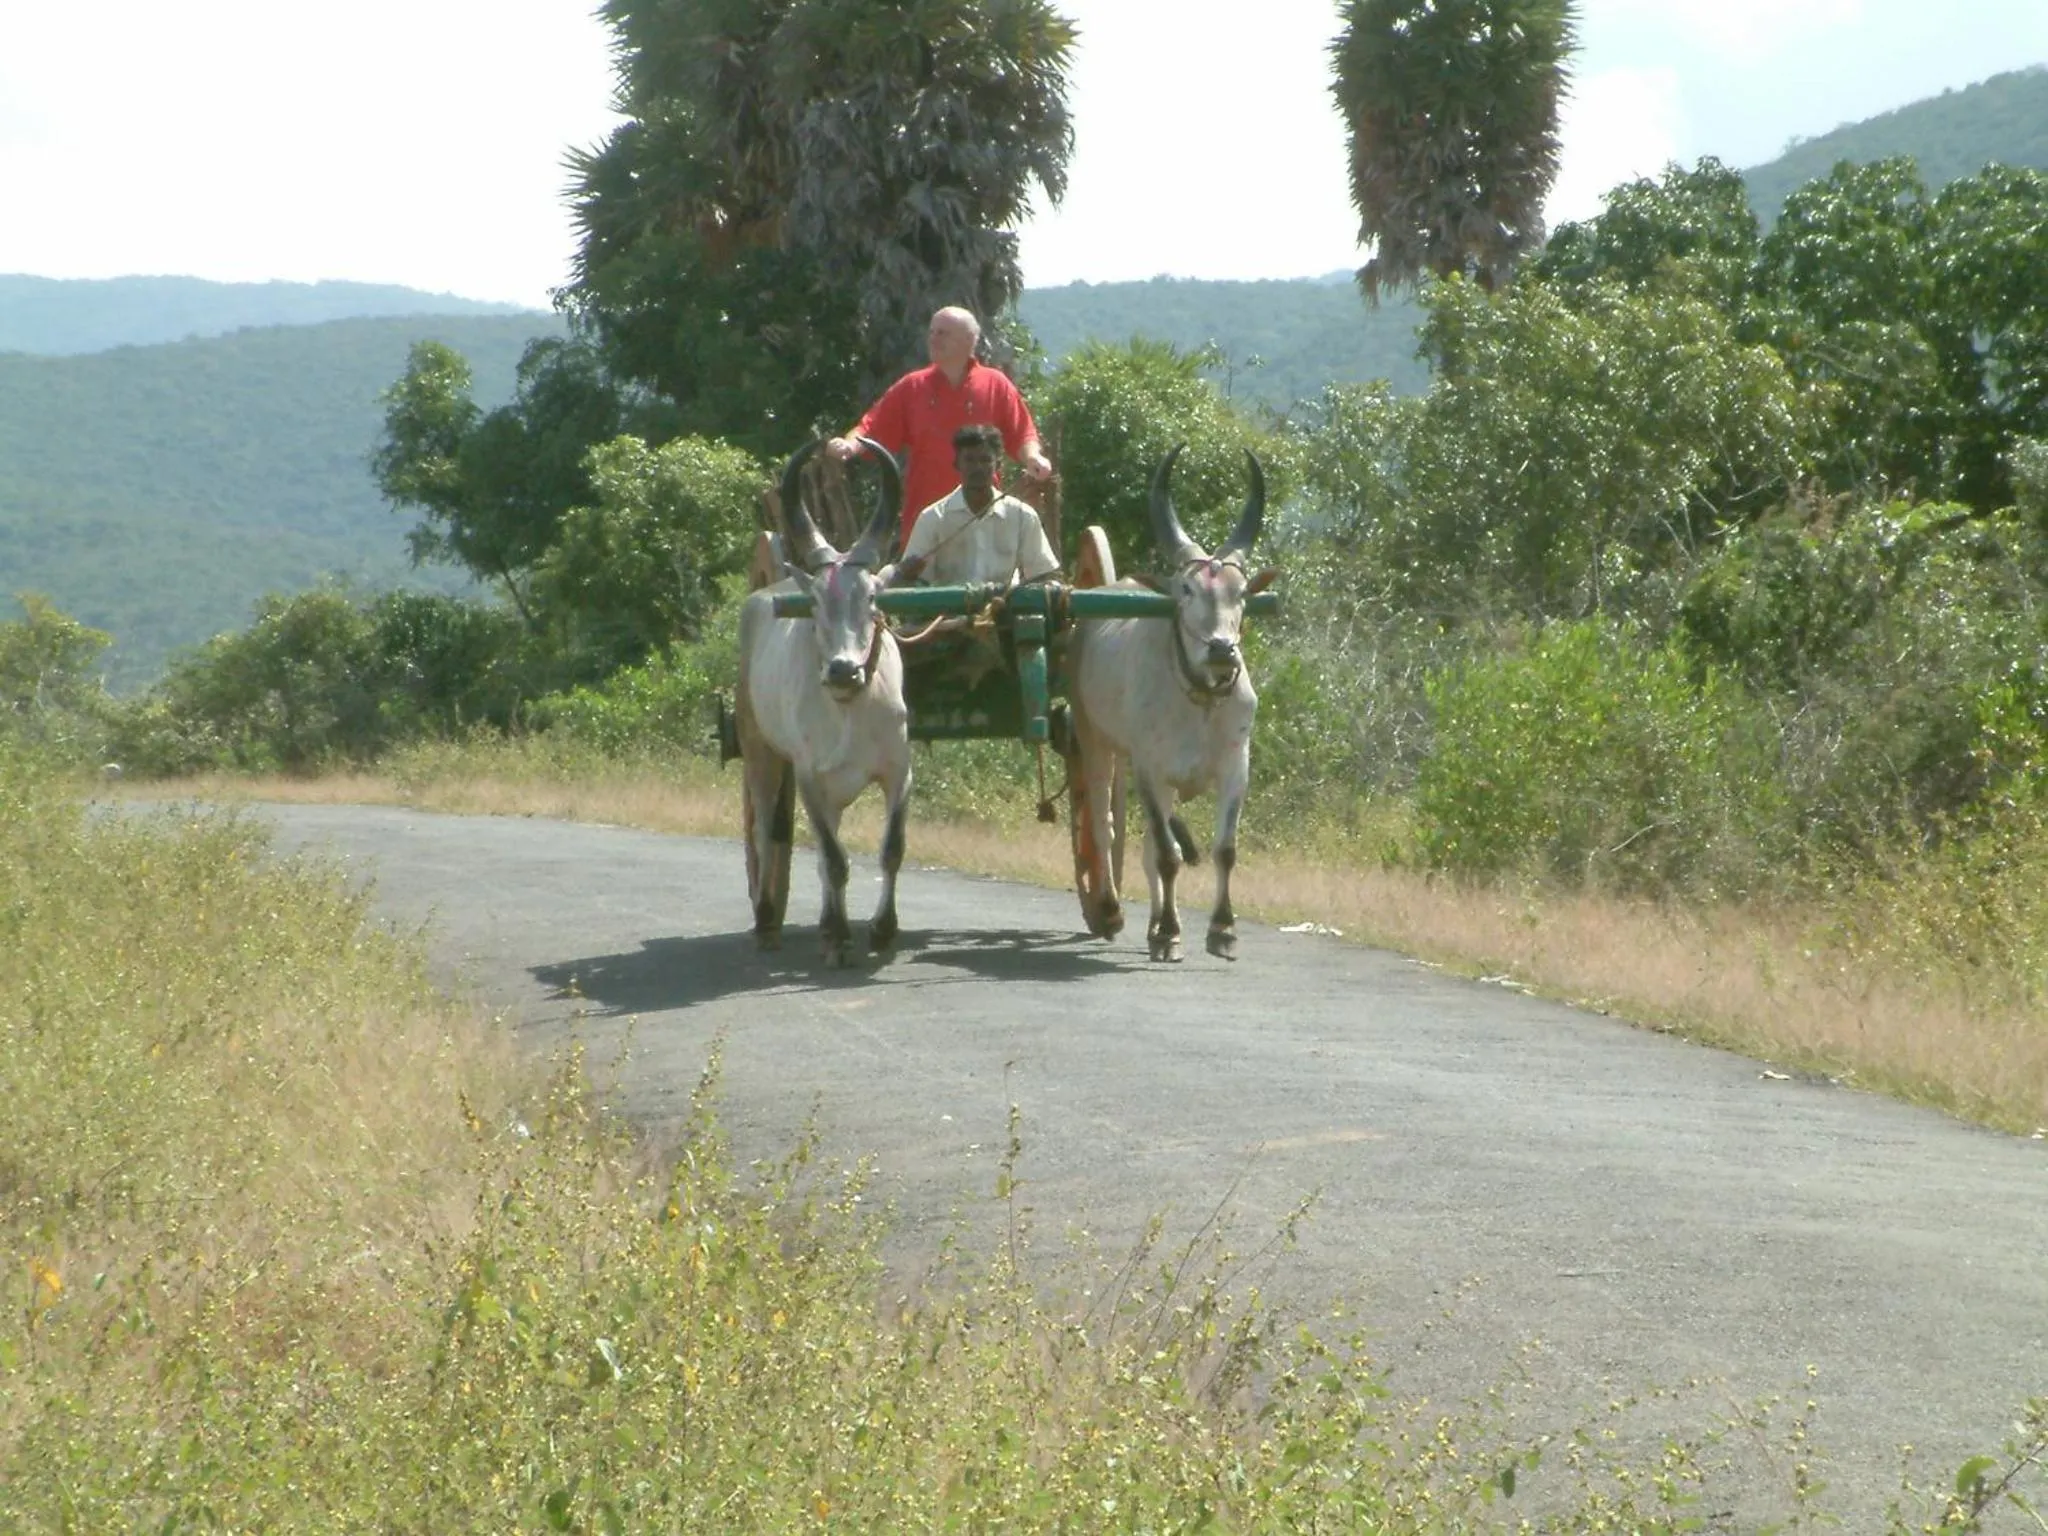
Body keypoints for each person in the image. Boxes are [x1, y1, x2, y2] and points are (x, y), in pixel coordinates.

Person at [826, 306, 1054, 546]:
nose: (933, 338)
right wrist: (849, 445)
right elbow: (871, 427)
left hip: (983, 518)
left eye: (943, 333)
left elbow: (1021, 433)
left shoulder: (995, 384)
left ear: (969, 340)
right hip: (925, 522)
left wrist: (1034, 459)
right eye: (932, 332)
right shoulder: (912, 386)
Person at [898, 424, 1060, 588]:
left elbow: (1043, 575)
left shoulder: (1022, 516)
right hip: (948, 612)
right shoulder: (932, 519)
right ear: (957, 464)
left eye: (985, 460)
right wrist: (905, 576)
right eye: (969, 460)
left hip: (1006, 611)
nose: (978, 468)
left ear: (997, 465)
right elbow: (912, 584)